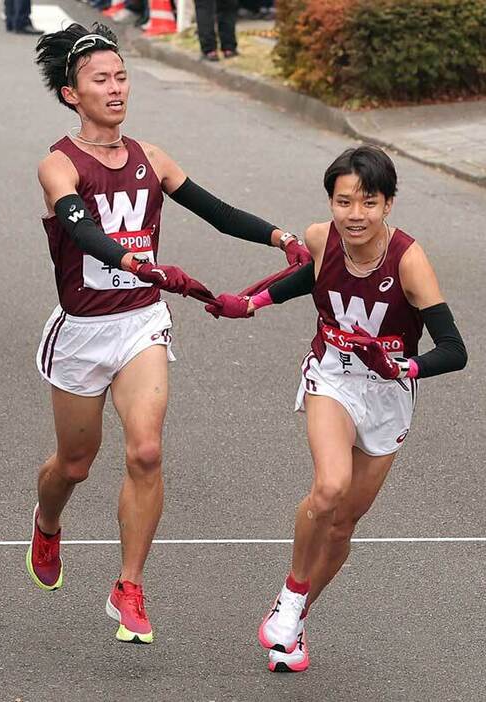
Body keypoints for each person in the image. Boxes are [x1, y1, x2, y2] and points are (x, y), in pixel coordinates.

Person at [27, 22, 310, 645]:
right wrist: (130, 259)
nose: (116, 88)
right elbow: (79, 229)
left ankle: (128, 585)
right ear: (72, 94)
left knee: (146, 450)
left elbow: (216, 210)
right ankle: (48, 523)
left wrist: (280, 237)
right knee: (75, 463)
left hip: (141, 324)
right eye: (101, 79)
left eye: (122, 76)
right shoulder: (58, 166)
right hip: (83, 330)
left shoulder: (151, 158)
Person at [206, 145, 467, 672]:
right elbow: (311, 277)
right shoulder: (322, 238)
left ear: (388, 204)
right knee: (329, 488)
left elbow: (454, 349)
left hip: (389, 391)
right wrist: (252, 303)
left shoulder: (409, 261)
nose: (354, 215)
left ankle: (295, 616)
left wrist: (403, 369)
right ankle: (292, 593)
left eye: (368, 203)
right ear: (330, 202)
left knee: (344, 524)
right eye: (343, 202)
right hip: (332, 377)